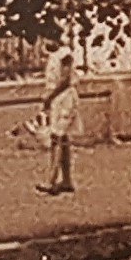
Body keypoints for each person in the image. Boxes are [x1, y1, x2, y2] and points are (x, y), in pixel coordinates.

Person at [36, 37, 78, 195]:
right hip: (56, 99)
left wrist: (51, 96)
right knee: (63, 138)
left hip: (64, 98)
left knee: (57, 138)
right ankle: (67, 180)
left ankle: (51, 180)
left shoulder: (65, 54)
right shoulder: (53, 56)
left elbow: (65, 80)